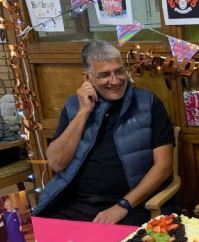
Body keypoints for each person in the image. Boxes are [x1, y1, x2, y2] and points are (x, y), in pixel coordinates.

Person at [33, 40, 175, 226]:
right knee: (42, 240)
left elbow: (163, 167)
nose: (115, 80)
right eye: (104, 75)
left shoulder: (148, 103)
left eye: (119, 71)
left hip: (132, 203)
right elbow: (56, 163)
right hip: (77, 202)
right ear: (87, 78)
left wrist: (123, 205)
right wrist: (83, 112)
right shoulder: (73, 106)